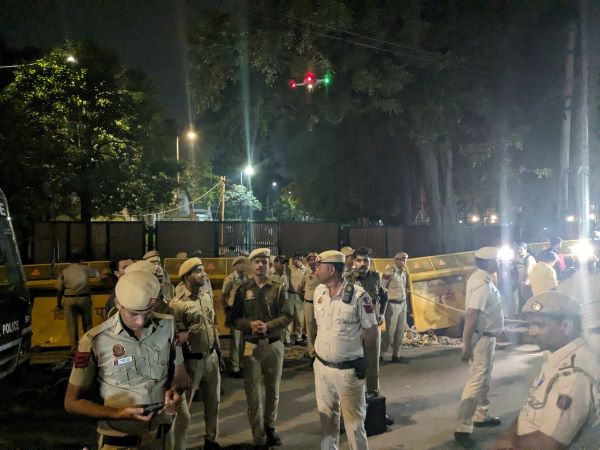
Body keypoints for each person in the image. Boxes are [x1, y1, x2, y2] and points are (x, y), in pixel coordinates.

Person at [64, 270, 187, 450]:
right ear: (118, 304)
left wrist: (175, 391)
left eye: (147, 313)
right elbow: (72, 403)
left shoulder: (167, 326)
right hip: (118, 442)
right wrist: (118, 413)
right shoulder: (95, 340)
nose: (140, 322)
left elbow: (181, 375)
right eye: (133, 314)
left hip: (161, 439)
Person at [497, 291, 600, 448]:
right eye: (530, 325)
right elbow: (531, 408)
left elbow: (548, 443)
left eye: (539, 325)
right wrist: (509, 434)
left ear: (566, 327)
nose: (531, 332)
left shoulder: (573, 376)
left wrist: (509, 443)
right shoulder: (555, 357)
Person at [313, 250, 378, 450]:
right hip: (322, 368)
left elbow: (372, 332)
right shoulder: (319, 292)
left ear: (331, 269)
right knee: (327, 421)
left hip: (348, 372)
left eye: (319, 266)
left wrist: (359, 358)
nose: (316, 271)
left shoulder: (359, 296)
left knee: (354, 425)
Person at [229, 248, 292, 448]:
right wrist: (249, 325)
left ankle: (270, 426)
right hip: (251, 347)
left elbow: (287, 315)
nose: (260, 265)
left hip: (273, 345)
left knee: (273, 390)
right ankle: (258, 434)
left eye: (264, 261)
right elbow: (233, 319)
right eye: (256, 261)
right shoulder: (242, 289)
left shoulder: (278, 287)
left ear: (269, 264)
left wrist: (268, 326)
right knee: (253, 393)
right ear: (251, 265)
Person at [454, 246, 505, 448]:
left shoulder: (482, 278)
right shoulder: (482, 284)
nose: (499, 263)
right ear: (490, 262)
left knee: (483, 378)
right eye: (497, 260)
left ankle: (481, 414)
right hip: (482, 339)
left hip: (486, 338)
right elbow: (472, 314)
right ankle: (462, 428)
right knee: (476, 381)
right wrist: (466, 345)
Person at [170, 257, 223, 450]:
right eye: (198, 271)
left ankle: (211, 440)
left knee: (214, 402)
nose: (204, 274)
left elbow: (213, 326)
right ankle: (178, 446)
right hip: (191, 362)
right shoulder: (177, 305)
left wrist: (219, 353)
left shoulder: (206, 297)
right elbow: (175, 339)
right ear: (187, 277)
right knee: (183, 410)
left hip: (211, 358)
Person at [348, 247, 387, 398]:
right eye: (359, 260)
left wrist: (382, 313)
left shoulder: (376, 277)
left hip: (372, 327)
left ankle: (373, 395)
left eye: (366, 260)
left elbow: (384, 296)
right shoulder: (347, 279)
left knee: (372, 364)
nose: (363, 264)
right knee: (353, 363)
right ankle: (354, 397)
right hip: (354, 328)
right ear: (354, 262)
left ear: (370, 262)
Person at [56, 249, 100, 351]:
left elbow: (59, 289)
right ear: (81, 260)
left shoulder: (64, 272)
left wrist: (58, 303)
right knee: (87, 323)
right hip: (84, 298)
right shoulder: (86, 269)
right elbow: (100, 276)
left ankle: (74, 347)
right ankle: (88, 345)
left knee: (71, 325)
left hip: (69, 299)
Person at [221, 255, 247, 378]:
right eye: (240, 263)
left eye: (243, 262)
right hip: (234, 311)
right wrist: (227, 313)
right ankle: (234, 367)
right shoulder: (230, 279)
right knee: (236, 341)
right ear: (235, 265)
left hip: (244, 311)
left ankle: (242, 364)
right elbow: (224, 297)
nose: (242, 265)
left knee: (243, 340)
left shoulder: (246, 278)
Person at [381, 252, 409, 363]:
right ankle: (381, 355)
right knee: (390, 331)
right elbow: (382, 287)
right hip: (392, 304)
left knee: (400, 331)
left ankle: (396, 355)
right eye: (402, 259)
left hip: (402, 304)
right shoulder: (390, 271)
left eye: (405, 260)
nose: (404, 262)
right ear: (396, 260)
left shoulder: (403, 273)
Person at [298, 252, 320, 357]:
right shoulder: (306, 274)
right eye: (310, 259)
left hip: (321, 305)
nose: (312, 261)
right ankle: (312, 353)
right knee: (310, 330)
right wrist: (305, 300)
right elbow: (299, 289)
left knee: (321, 328)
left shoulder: (321, 272)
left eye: (314, 259)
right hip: (309, 304)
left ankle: (320, 351)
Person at [289, 253, 307, 345]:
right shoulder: (290, 269)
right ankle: (287, 338)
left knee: (299, 318)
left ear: (299, 260)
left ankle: (298, 336)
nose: (293, 261)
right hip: (290, 295)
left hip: (300, 295)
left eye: (294, 259)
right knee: (289, 316)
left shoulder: (305, 270)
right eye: (293, 259)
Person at [513, 242, 535, 309]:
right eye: (517, 249)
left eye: (520, 249)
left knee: (528, 301)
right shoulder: (517, 257)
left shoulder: (529, 258)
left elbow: (528, 273)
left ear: (525, 249)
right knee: (522, 301)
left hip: (528, 285)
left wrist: (525, 282)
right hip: (521, 284)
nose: (518, 251)